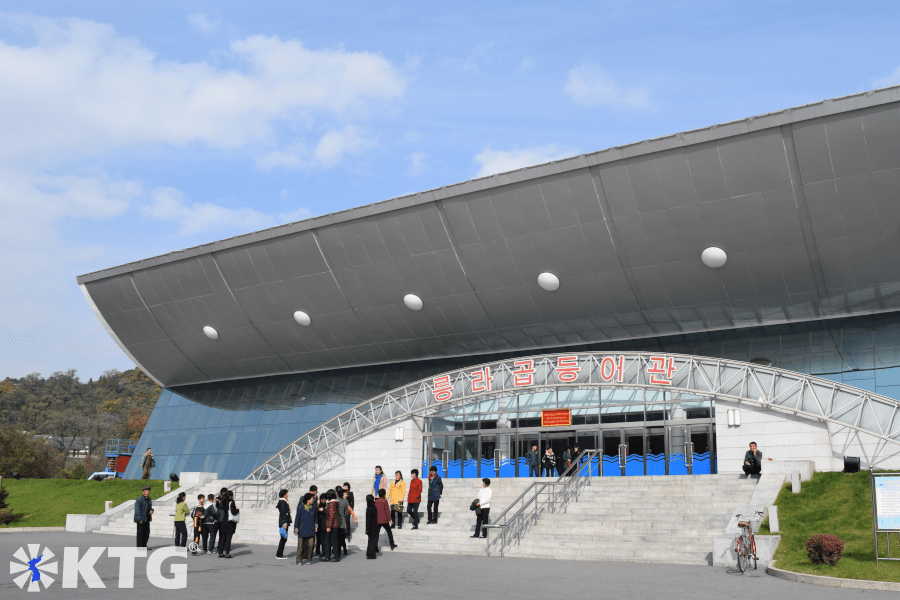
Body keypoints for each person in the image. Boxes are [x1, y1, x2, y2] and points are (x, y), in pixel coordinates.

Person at [293, 493, 317, 565]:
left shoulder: (314, 508)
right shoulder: (301, 508)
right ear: (308, 500)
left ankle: (309, 559)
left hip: (311, 529)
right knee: (300, 546)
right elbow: (297, 519)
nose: (313, 499)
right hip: (302, 529)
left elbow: (315, 518)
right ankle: (298, 560)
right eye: (311, 498)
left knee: (311, 545)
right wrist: (296, 529)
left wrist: (316, 526)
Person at [219, 489, 239, 558]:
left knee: (223, 537)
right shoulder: (231, 502)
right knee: (228, 538)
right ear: (231, 496)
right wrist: (237, 510)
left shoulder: (224, 502)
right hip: (230, 523)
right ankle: (227, 553)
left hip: (224, 522)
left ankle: (220, 553)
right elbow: (233, 511)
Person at [322, 490, 341, 562]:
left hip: (332, 525)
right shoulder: (334, 503)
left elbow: (331, 516)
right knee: (334, 541)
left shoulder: (331, 504)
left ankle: (328, 556)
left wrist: (329, 527)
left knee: (328, 541)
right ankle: (335, 556)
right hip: (335, 525)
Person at [275, 488, 292, 559]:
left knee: (284, 538)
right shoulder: (282, 502)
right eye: (287, 493)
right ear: (284, 494)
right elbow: (282, 513)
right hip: (283, 523)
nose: (287, 495)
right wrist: (285, 522)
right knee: (283, 538)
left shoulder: (284, 502)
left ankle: (279, 554)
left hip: (284, 522)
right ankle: (279, 554)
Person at [364, 494, 379, 559]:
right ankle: (369, 553)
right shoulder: (374, 507)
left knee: (371, 541)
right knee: (372, 540)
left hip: (371, 527)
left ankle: (371, 554)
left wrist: (367, 529)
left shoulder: (369, 508)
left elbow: (368, 520)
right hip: (375, 526)